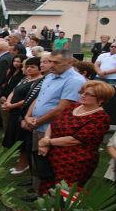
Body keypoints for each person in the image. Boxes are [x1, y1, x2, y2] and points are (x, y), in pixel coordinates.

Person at [24, 50, 86, 191]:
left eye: (56, 62)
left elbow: (62, 109)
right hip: (36, 124)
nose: (51, 65)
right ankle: (35, 186)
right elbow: (39, 98)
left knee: (46, 162)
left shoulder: (75, 81)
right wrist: (28, 116)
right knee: (36, 157)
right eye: (50, 61)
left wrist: (37, 122)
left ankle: (42, 191)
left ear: (69, 62)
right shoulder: (50, 76)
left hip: (50, 128)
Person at [37, 81, 114, 194]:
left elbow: (75, 140)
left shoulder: (101, 118)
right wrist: (46, 141)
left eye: (88, 94)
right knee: (47, 183)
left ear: (101, 99)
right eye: (82, 92)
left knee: (64, 192)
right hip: (53, 153)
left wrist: (47, 142)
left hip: (75, 161)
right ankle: (43, 208)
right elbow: (53, 124)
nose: (83, 95)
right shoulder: (73, 106)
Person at [1, 57, 43, 173]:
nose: (28, 69)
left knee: (22, 140)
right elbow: (14, 91)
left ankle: (23, 164)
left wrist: (12, 106)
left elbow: (29, 99)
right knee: (14, 137)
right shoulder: (25, 78)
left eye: (32, 67)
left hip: (23, 113)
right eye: (27, 66)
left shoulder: (40, 82)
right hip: (13, 112)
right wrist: (8, 102)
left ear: (40, 69)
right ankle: (18, 158)